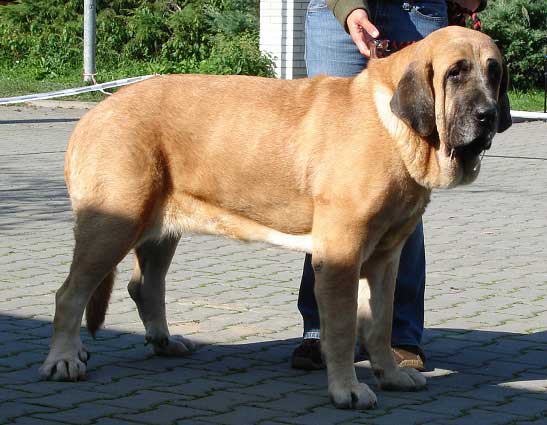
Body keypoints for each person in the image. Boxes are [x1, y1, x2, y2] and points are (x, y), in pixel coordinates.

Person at [291, 0, 486, 371]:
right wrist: (348, 8)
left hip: (415, 10)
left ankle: (398, 334)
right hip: (335, 12)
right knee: (333, 185)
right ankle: (321, 328)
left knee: (408, 183)